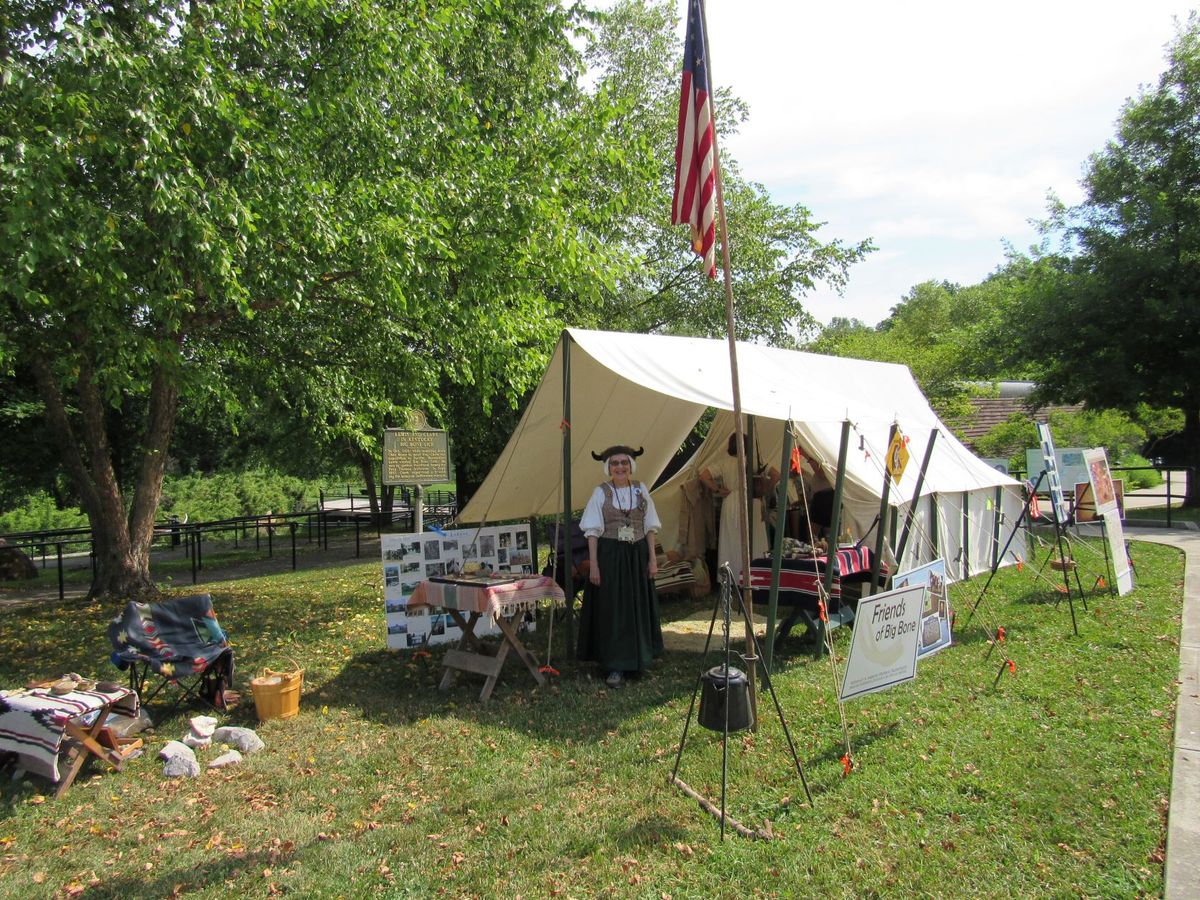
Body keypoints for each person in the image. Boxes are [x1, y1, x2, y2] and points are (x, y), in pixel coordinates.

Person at [578, 445, 664, 689]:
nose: (619, 467)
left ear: (630, 465)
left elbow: (649, 527)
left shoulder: (641, 490)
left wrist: (652, 559)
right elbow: (592, 532)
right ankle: (614, 664)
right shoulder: (600, 493)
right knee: (614, 609)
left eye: (623, 463)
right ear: (608, 467)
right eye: (614, 463)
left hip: (636, 556)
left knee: (636, 605)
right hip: (611, 555)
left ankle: (639, 659)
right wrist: (594, 565)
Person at [699, 433, 777, 582]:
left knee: (732, 540)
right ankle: (758, 577)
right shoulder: (754, 461)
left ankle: (732, 577)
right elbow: (776, 475)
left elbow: (704, 475)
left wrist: (717, 489)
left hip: (732, 501)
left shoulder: (724, 463)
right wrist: (766, 489)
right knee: (755, 539)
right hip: (752, 501)